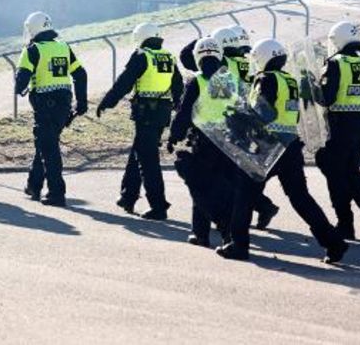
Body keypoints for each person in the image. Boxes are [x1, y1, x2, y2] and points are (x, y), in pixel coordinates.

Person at [239, 39, 348, 263]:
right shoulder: (289, 80)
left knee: (243, 194)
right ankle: (334, 242)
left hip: (268, 146)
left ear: (263, 57)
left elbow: (264, 112)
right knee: (300, 198)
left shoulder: (265, 78)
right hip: (290, 145)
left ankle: (238, 245)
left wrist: (242, 116)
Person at [181, 28, 280, 231]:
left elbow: (187, 59)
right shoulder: (248, 61)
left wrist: (202, 44)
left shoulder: (223, 64)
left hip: (219, 126)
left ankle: (214, 227)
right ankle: (257, 209)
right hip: (243, 120)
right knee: (233, 177)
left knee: (211, 179)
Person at [97, 22, 181, 219]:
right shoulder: (169, 57)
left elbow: (124, 82)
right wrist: (178, 107)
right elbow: (178, 86)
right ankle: (128, 196)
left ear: (141, 37)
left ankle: (159, 206)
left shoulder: (142, 55)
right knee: (139, 152)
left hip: (146, 114)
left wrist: (107, 102)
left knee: (148, 159)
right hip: (162, 113)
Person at [313, 21, 360, 240]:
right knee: (351, 171)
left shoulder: (335, 63)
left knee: (334, 173)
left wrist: (313, 87)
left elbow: (327, 98)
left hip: (341, 125)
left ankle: (346, 223)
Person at [168, 37, 238, 249]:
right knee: (224, 188)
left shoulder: (196, 81)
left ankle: (201, 233)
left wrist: (174, 135)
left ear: (198, 57)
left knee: (200, 187)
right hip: (226, 140)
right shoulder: (227, 79)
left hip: (203, 141)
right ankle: (228, 234)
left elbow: (184, 112)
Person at [15, 12, 88, 207]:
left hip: (45, 104)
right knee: (46, 143)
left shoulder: (33, 50)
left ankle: (56, 193)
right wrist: (81, 102)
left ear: (32, 29)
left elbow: (22, 78)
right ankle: (34, 185)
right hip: (64, 104)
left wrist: (19, 87)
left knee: (49, 148)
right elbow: (80, 74)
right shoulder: (64, 47)